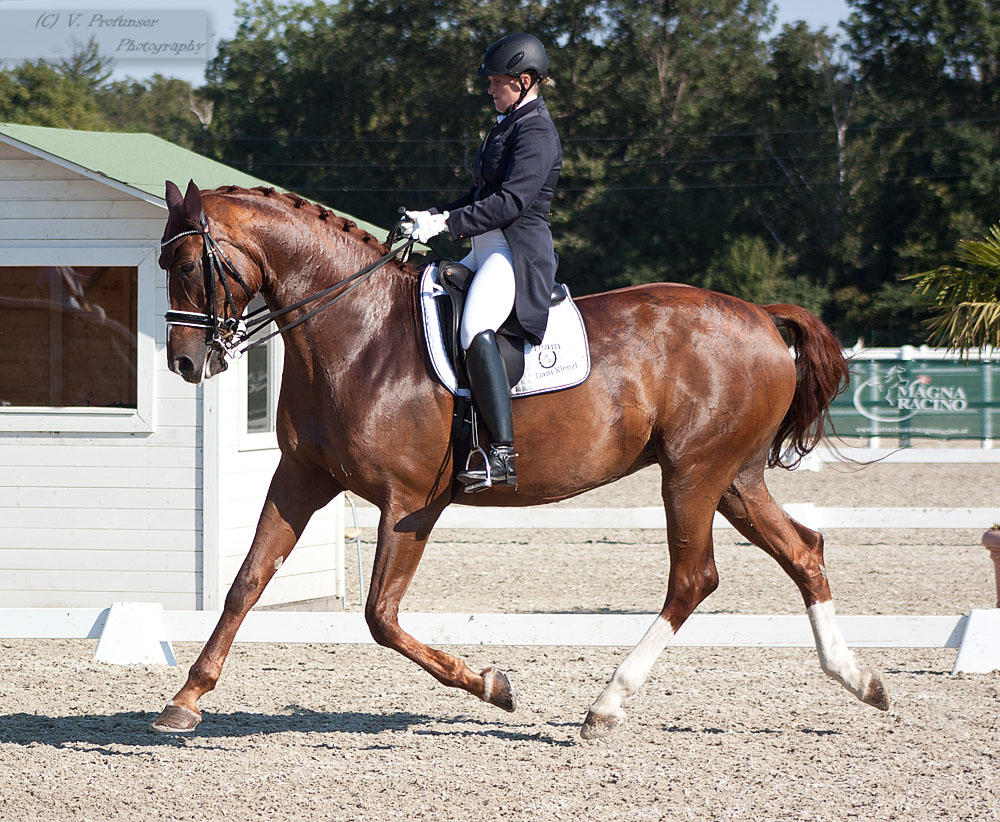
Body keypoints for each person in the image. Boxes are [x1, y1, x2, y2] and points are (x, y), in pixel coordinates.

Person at [402, 32, 562, 492]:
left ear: (525, 81)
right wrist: (434, 214)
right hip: (486, 246)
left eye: (498, 82)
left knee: (475, 327)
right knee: (429, 297)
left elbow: (511, 202)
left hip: (515, 253)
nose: (490, 90)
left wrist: (448, 225)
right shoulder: (508, 123)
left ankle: (503, 452)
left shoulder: (537, 132)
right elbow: (479, 196)